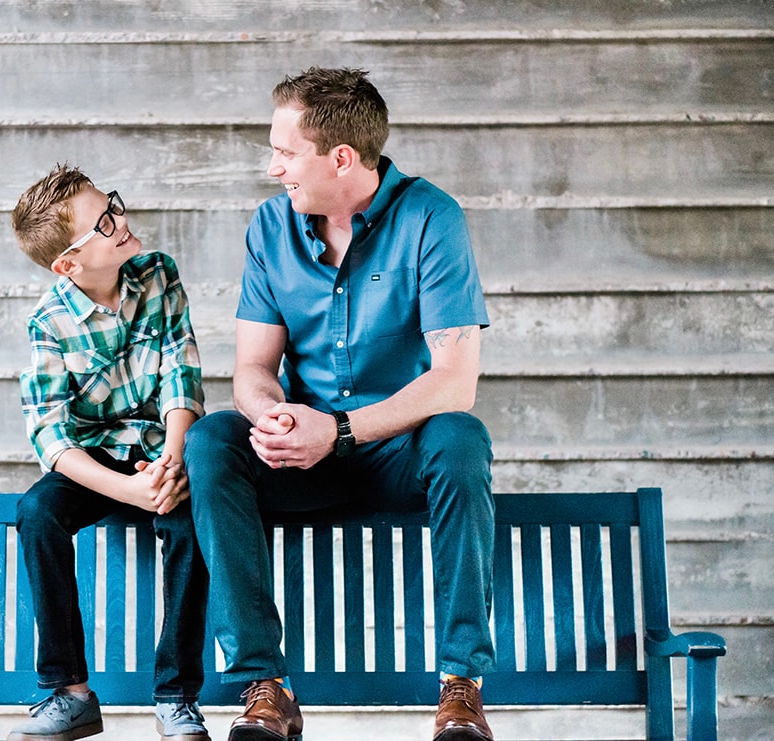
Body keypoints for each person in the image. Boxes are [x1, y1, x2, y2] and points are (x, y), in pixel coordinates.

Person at [184, 67, 496, 741]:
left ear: (341, 158)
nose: (274, 169)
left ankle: (460, 686)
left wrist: (343, 429)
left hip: (398, 453)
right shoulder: (270, 228)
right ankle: (265, 686)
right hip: (304, 457)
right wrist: (275, 414)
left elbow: (454, 380)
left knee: (460, 435)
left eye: (285, 152)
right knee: (212, 439)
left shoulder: (430, 217)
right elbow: (252, 368)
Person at [8, 163, 211, 741]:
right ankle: (69, 692)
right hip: (97, 462)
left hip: (161, 446)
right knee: (37, 513)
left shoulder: (158, 275)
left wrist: (171, 461)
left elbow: (181, 372)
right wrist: (124, 489)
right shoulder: (49, 321)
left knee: (191, 519)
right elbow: (50, 434)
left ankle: (176, 697)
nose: (120, 220)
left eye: (113, 205)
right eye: (103, 221)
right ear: (68, 264)